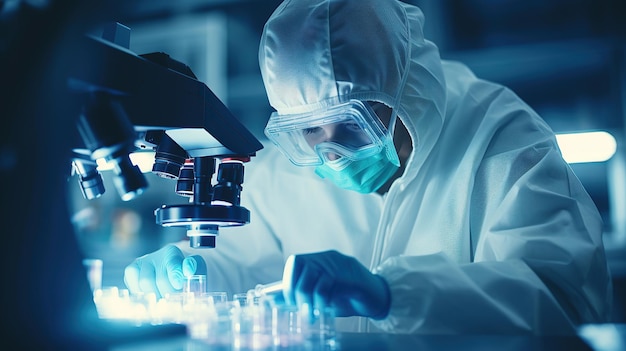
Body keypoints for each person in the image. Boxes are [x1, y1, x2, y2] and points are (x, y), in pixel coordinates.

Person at [124, 0, 612, 334]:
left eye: (354, 123)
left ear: (410, 93)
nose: (331, 151)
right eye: (311, 130)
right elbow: (251, 264)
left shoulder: (502, 142)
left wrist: (390, 295)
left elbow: (562, 304)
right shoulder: (286, 171)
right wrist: (197, 274)